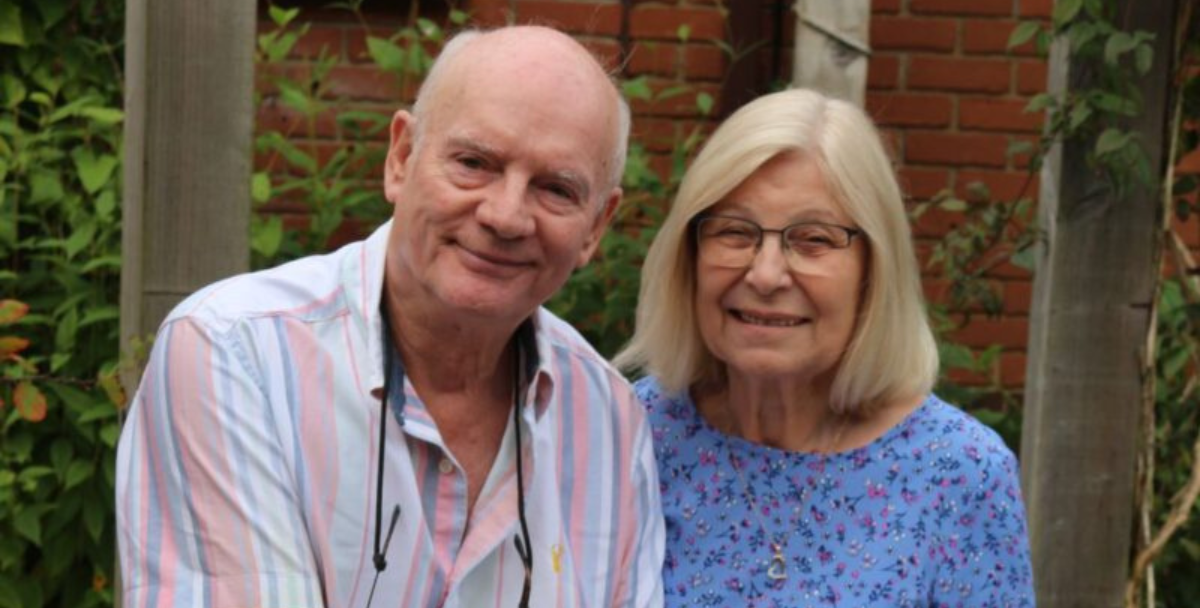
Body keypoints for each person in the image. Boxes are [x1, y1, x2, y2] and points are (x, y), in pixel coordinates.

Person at [116, 26, 664, 608]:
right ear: (401, 158)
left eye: (556, 188)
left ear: (596, 227)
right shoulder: (235, 353)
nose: (506, 215)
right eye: (474, 162)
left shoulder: (610, 423)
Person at [614, 88, 1034, 606]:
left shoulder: (959, 472)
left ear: (872, 272)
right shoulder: (630, 435)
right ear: (689, 257)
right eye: (734, 233)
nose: (766, 274)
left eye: (812, 239)